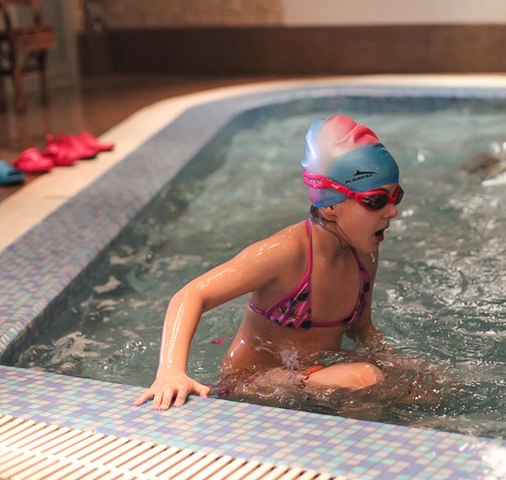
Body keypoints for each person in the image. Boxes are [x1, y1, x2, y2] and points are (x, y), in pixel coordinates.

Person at [134, 115, 403, 410]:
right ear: (330, 206)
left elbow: (361, 327)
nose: (392, 211)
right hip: (251, 383)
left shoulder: (363, 253)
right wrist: (171, 371)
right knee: (364, 378)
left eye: (396, 197)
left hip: (311, 375)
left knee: (422, 382)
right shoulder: (284, 254)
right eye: (376, 200)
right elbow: (190, 295)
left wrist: (392, 361)